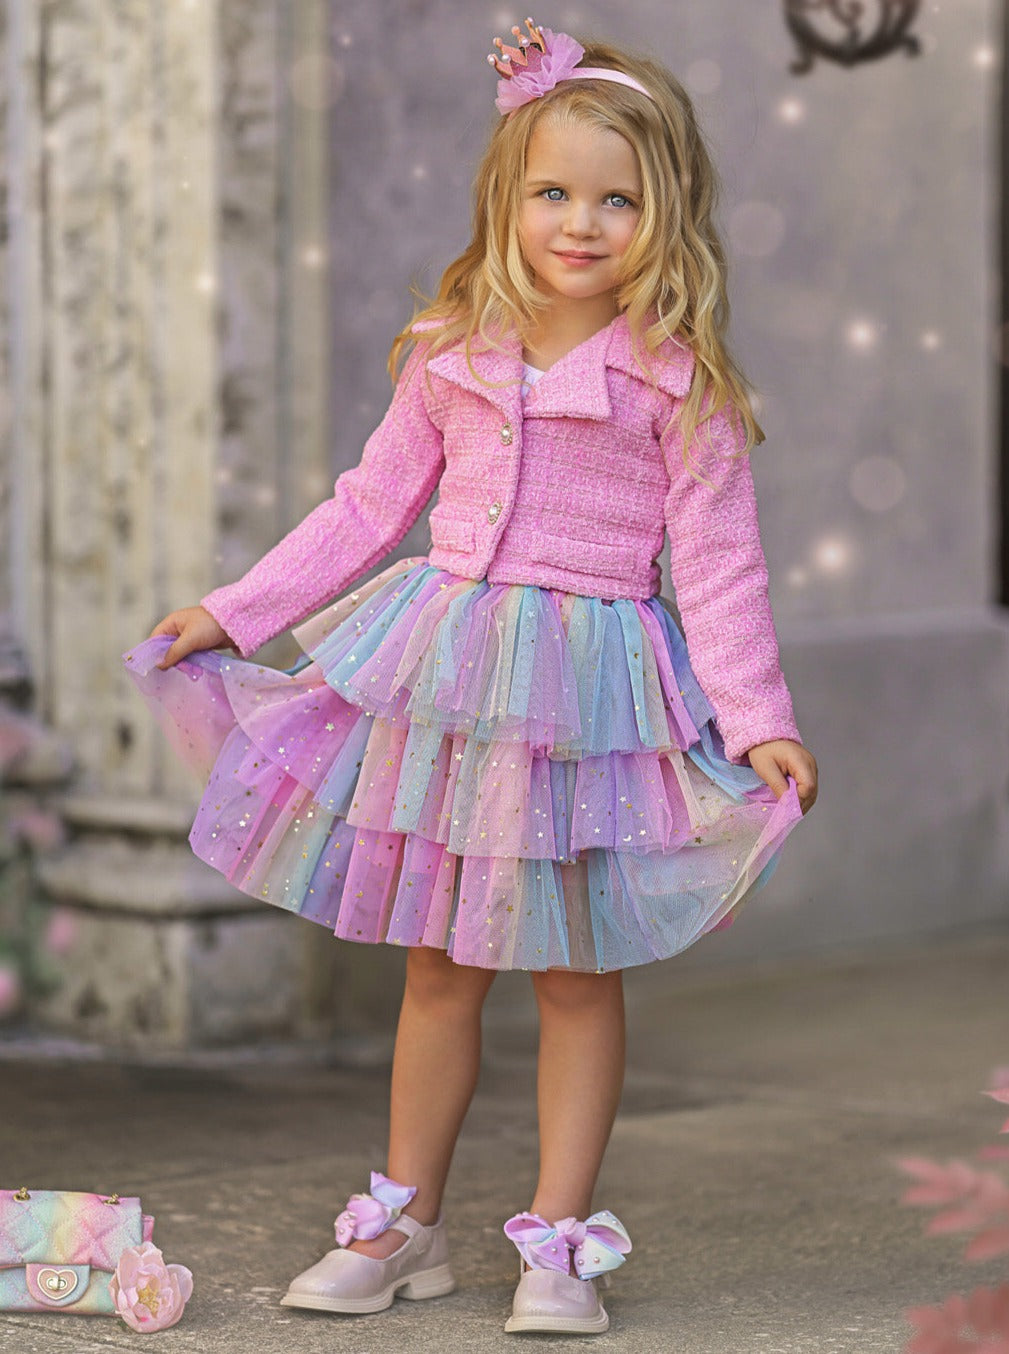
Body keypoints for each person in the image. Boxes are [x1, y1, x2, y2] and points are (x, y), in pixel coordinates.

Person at [123, 17, 818, 1336]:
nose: (581, 223)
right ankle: (406, 1224)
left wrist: (758, 721)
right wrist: (234, 610)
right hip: (444, 683)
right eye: (553, 192)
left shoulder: (679, 388)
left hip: (587, 706)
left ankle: (560, 1243)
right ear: (507, 195)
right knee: (438, 966)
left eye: (617, 201)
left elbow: (722, 572)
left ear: (665, 214)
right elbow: (364, 508)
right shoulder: (455, 351)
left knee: (575, 973)